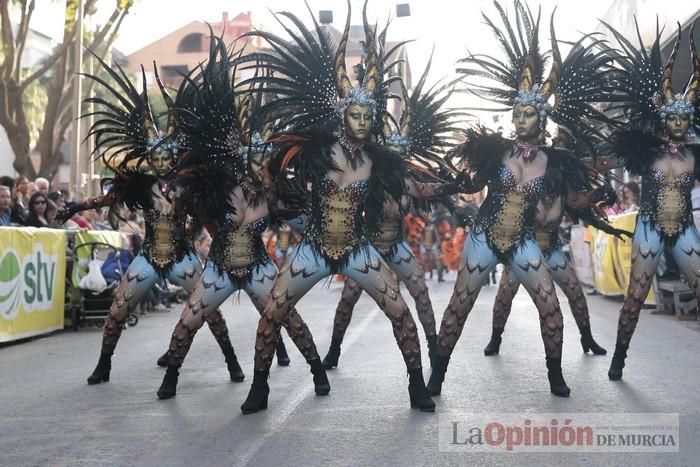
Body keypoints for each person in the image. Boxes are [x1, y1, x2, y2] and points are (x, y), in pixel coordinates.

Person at [235, 2, 436, 413]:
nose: (361, 120)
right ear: (343, 114)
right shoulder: (316, 150)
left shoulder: (380, 161)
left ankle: (417, 386)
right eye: (355, 114)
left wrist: (451, 186)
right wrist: (271, 190)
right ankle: (259, 388)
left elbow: (412, 186)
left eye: (368, 115)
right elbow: (276, 175)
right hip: (313, 248)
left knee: (400, 311)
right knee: (272, 312)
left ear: (374, 118)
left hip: (359, 247)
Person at [428, 1, 618, 398]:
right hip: (484, 236)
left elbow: (574, 198)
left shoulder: (555, 163)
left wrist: (601, 195)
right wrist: (447, 186)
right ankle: (437, 378)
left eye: (528, 114)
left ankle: (555, 375)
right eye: (516, 112)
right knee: (458, 308)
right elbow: (467, 178)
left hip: (523, 242)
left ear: (541, 119)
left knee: (551, 305)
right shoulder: (494, 150)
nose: (519, 119)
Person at [58, 52, 245, 387]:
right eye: (155, 156)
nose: (160, 161)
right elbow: (108, 198)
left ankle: (231, 360)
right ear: (149, 157)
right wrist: (74, 208)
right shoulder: (141, 184)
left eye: (166, 155)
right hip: (148, 257)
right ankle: (104, 364)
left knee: (208, 311)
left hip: (183, 257)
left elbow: (207, 215)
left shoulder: (189, 183)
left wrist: (224, 243)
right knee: (117, 310)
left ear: (174, 156)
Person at [155, 36, 323, 400]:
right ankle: (171, 377)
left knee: (288, 318)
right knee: (188, 322)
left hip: (259, 267)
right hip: (218, 267)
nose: (263, 166)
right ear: (243, 160)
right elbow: (188, 204)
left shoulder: (274, 194)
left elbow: (298, 220)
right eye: (257, 160)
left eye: (267, 160)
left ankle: (317, 371)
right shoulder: (217, 189)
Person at [321, 57, 465, 370]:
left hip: (397, 245)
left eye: (403, 155)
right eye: (393, 155)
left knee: (420, 291)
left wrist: (454, 189)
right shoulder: (372, 173)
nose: (398, 160)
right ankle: (333, 349)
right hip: (368, 246)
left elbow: (430, 190)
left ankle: (432, 345)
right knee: (348, 298)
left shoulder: (408, 181)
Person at [601, 22, 700, 380]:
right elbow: (613, 158)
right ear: (663, 119)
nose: (676, 122)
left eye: (682, 117)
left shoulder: (695, 152)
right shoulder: (648, 148)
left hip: (684, 226)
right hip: (649, 227)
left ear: (689, 120)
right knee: (635, 295)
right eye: (671, 116)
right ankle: (619, 358)